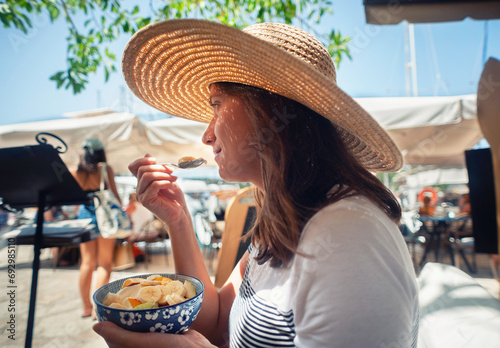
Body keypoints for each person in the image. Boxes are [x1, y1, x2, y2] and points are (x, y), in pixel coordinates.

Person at [94, 20, 419, 347]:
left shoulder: (350, 235)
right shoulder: (287, 220)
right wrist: (178, 221)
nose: (206, 136)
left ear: (271, 108)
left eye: (216, 105)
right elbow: (220, 320)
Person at [73, 138, 121, 318]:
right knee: (105, 264)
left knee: (86, 263)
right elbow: (115, 196)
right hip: (105, 217)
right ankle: (96, 309)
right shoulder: (105, 169)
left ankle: (85, 307)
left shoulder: (76, 171)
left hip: (84, 215)